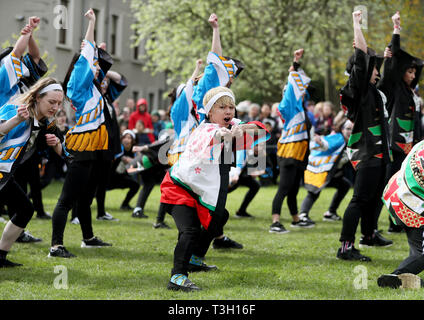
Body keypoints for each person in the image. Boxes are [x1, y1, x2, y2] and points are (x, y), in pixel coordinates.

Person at [160, 86, 269, 291]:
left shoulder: (233, 125)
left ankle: (194, 259)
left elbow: (261, 128)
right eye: (222, 107)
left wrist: (240, 130)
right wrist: (228, 133)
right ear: (210, 112)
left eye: (231, 107)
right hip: (179, 188)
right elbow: (217, 136)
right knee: (190, 230)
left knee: (218, 217)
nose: (228, 111)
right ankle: (177, 277)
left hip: (200, 191)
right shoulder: (205, 130)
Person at [48, 9, 113, 259]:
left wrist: (97, 47)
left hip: (94, 147)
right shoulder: (79, 86)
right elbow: (86, 55)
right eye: (93, 64)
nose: (97, 68)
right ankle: (56, 247)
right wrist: (92, 24)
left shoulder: (93, 88)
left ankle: (88, 238)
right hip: (81, 147)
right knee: (67, 199)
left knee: (86, 197)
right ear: (82, 68)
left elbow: (94, 58)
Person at [336, 10, 393, 262]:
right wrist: (356, 24)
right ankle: (345, 247)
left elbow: (375, 66)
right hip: (366, 152)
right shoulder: (357, 90)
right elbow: (361, 57)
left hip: (380, 153)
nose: (376, 72)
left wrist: (388, 56)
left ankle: (368, 235)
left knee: (373, 198)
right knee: (359, 199)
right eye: (374, 68)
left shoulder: (372, 92)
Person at [0, 77, 64, 267]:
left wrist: (58, 143)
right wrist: (17, 119)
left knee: (25, 209)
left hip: (4, 174)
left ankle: (1, 256)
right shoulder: (14, 110)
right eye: (51, 102)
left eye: (59, 103)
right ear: (37, 97)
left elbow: (65, 150)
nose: (55, 107)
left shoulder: (46, 123)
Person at [0, 16, 49, 242]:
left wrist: (32, 34)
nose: (22, 65)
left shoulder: (24, 82)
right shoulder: (3, 79)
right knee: (12, 189)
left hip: (20, 143)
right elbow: (17, 54)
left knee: (17, 192)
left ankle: (15, 231)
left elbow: (36, 57)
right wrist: (26, 31)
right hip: (5, 140)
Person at [377, 11, 424, 234]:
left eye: (415, 72)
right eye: (409, 71)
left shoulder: (412, 94)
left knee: (406, 184)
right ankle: (376, 226)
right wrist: (396, 30)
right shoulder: (396, 90)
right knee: (389, 183)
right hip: (394, 146)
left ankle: (396, 223)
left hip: (409, 146)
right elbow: (393, 67)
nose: (413, 75)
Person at [269, 48, 315, 234]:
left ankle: (296, 219)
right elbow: (292, 84)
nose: (302, 91)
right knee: (284, 187)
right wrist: (295, 65)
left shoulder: (300, 108)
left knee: (294, 187)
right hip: (288, 152)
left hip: (299, 152)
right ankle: (275, 222)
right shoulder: (287, 105)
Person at [378, 139, 424, 288]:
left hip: (396, 194)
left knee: (418, 248)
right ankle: (396, 276)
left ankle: (408, 278)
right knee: (422, 253)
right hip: (411, 205)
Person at [300, 118, 353, 222]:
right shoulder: (338, 138)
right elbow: (327, 144)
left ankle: (330, 213)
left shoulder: (352, 141)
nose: (350, 132)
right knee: (314, 191)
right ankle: (302, 215)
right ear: (342, 129)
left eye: (352, 129)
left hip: (330, 173)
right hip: (319, 169)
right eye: (348, 129)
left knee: (344, 185)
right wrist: (321, 143)